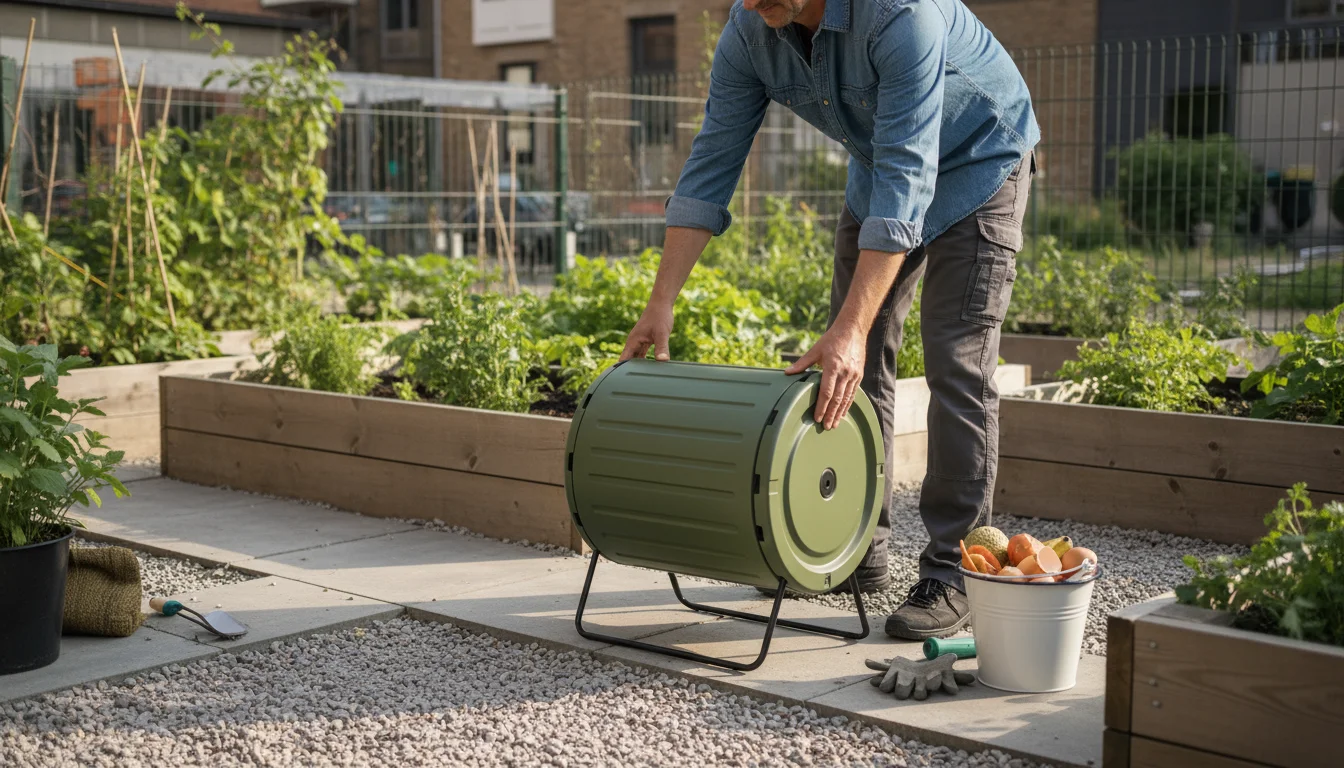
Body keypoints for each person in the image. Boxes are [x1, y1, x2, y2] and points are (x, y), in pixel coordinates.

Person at [618, 0, 1039, 641]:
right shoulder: (749, 30)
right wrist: (662, 301)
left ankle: (956, 571)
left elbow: (911, 174)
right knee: (854, 364)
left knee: (955, 359)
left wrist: (851, 326)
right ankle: (853, 548)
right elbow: (712, 161)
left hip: (980, 161)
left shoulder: (902, 16)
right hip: (881, 173)